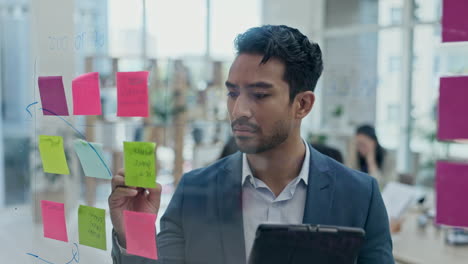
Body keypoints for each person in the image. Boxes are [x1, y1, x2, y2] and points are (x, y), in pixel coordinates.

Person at [109, 25, 394, 264]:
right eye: (233, 93)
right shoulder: (194, 190)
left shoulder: (359, 196)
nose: (239, 110)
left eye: (259, 95)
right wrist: (133, 232)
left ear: (302, 104)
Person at [352, 124, 397, 190]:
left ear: (374, 143)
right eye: (358, 145)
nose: (360, 148)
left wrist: (371, 162)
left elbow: (381, 187)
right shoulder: (357, 156)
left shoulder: (388, 158)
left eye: (363, 144)